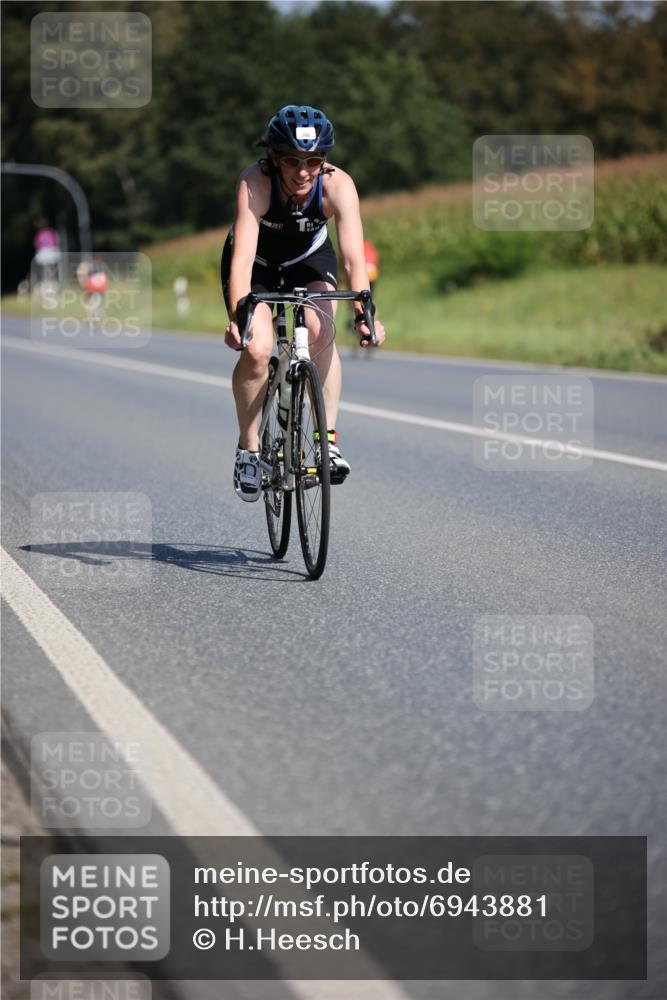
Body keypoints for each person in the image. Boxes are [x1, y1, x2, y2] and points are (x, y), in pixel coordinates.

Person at [221, 104, 386, 502]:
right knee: (257, 349)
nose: (303, 171)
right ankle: (249, 448)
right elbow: (241, 262)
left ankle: (326, 440)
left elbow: (353, 261)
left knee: (320, 330)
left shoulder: (338, 185)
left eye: (313, 161)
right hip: (257, 264)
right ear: (274, 157)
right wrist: (239, 318)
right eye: (292, 160)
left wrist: (365, 315)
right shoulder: (255, 183)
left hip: (308, 259)